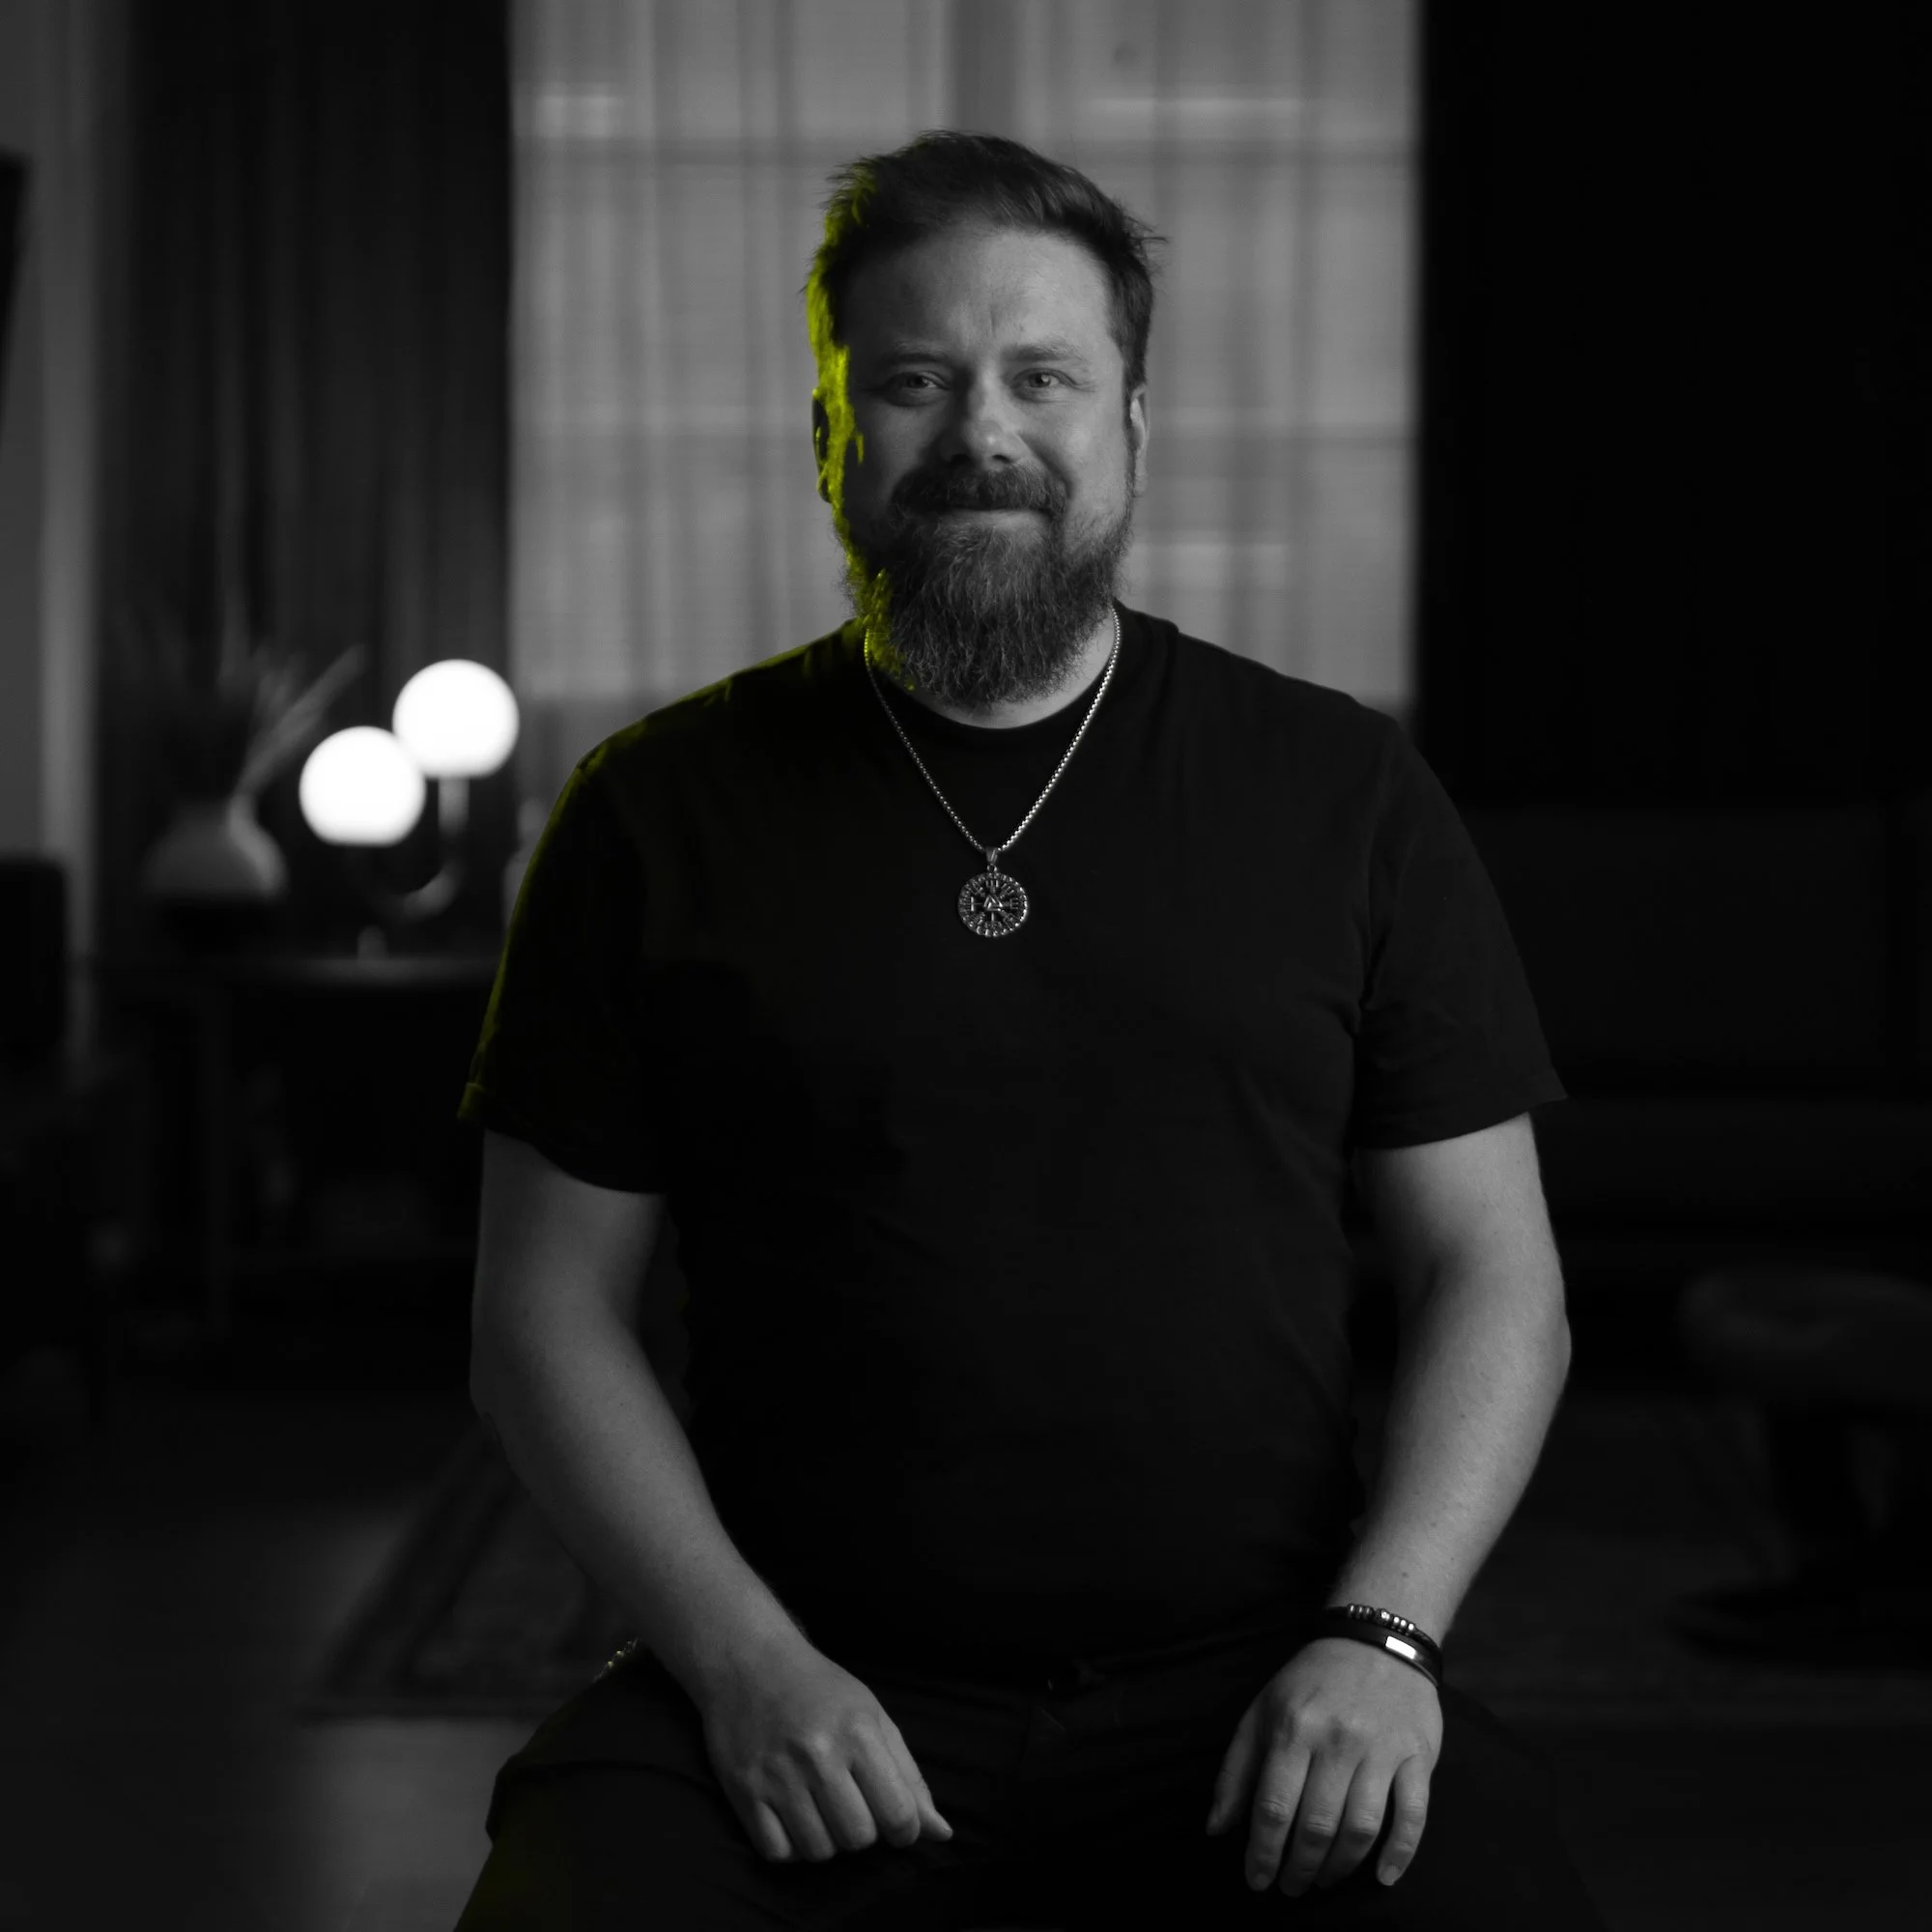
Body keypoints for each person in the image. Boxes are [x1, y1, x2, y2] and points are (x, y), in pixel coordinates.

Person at [452, 130, 1608, 1929]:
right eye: (914, 379)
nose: (982, 430)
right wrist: (746, 1666)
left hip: (1262, 1681)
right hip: (800, 1681)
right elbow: (540, 1315)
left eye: (1043, 377)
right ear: (829, 433)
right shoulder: (652, 811)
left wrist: (1384, 1637)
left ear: (1131, 428)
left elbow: (1495, 1281)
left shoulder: (1342, 792)